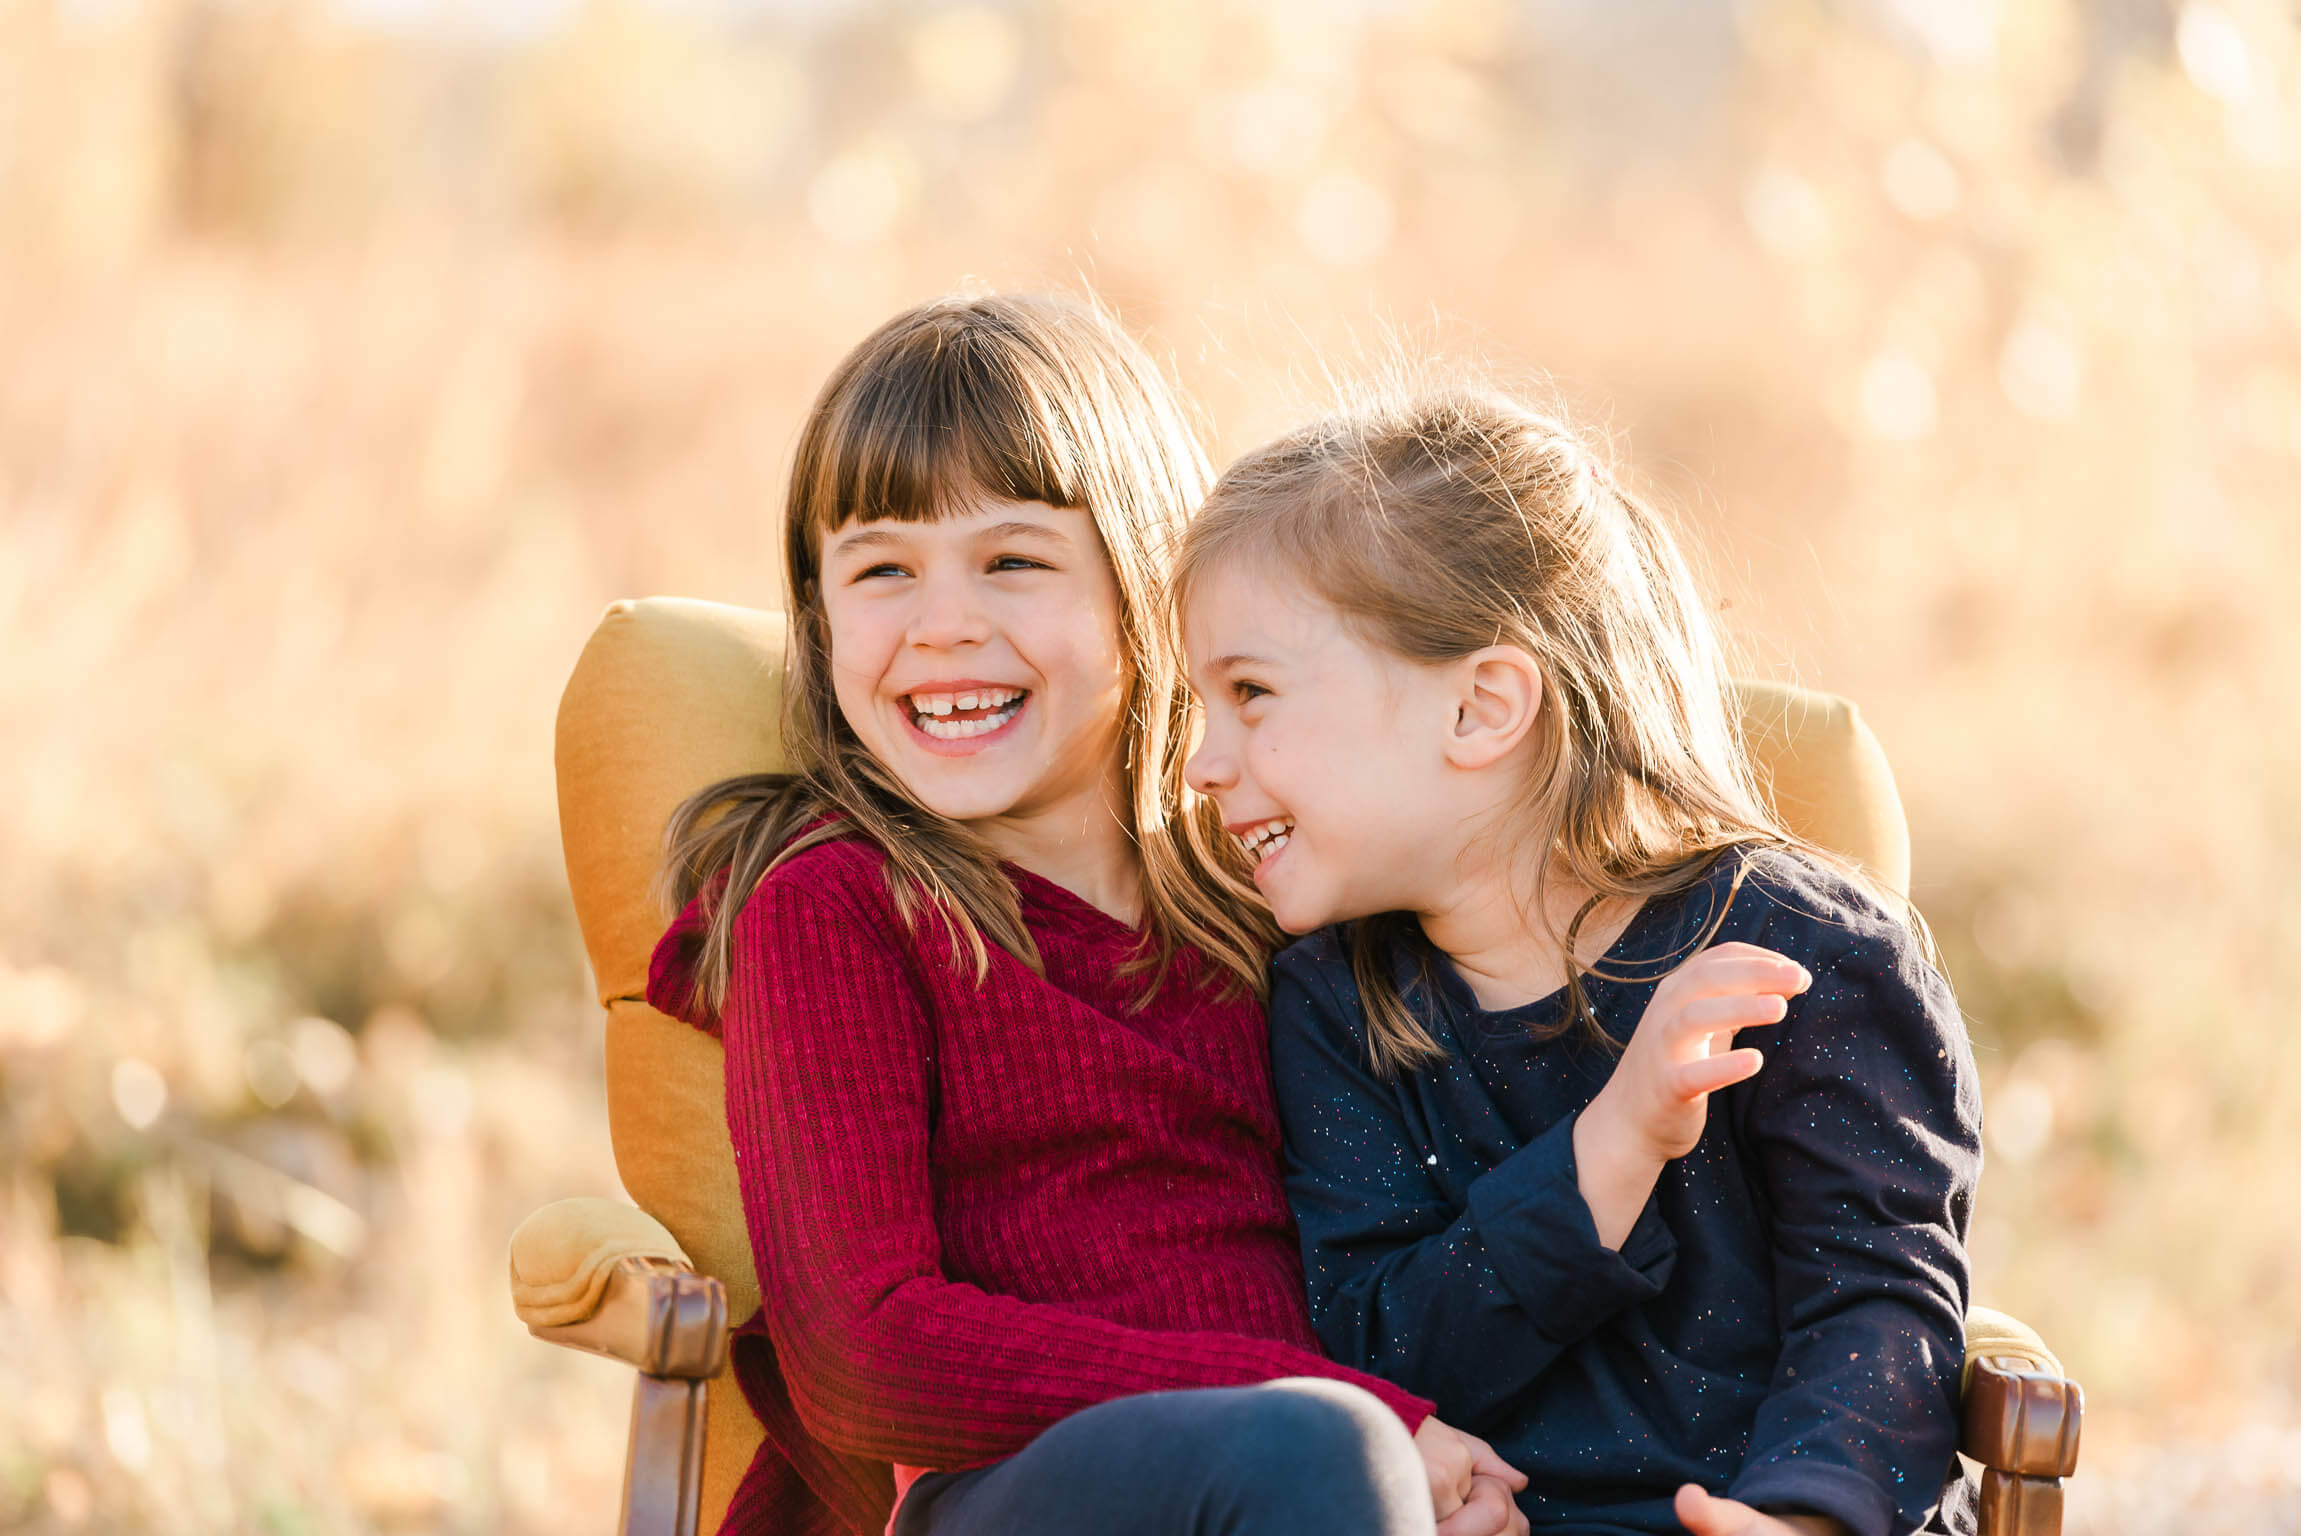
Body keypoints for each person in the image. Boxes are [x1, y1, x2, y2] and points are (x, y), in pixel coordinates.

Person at [644, 294, 1528, 1536]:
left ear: (1145, 585)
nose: (943, 623)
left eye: (1013, 559)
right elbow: (865, 1356)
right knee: (1308, 1450)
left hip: (1333, 1479)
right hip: (1015, 1498)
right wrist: (1350, 1411)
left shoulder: (1272, 897)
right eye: (883, 569)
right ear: (821, 616)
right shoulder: (840, 909)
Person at [1176, 386, 1981, 1536]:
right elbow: (1383, 1347)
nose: (1202, 761)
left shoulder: (1809, 959)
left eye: (1250, 693)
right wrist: (1612, 1147)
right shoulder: (1332, 1001)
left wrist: (1807, 1517)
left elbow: (1881, 1307)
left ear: (1481, 708)